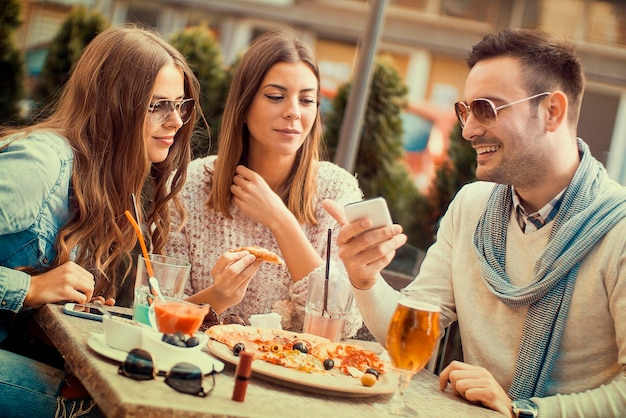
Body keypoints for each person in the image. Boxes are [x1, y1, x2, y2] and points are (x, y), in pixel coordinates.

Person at [323, 28, 626, 417]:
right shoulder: (471, 205)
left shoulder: (617, 229)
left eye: (487, 108)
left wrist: (525, 411)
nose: (467, 130)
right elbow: (411, 337)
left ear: (552, 112)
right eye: (464, 111)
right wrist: (365, 279)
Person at [0, 25, 200, 417]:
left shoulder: (102, 183)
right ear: (114, 106)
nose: (176, 121)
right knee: (95, 400)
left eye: (181, 104)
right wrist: (31, 287)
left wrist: (66, 306)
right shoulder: (41, 165)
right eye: (157, 105)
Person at [166, 28, 363, 338]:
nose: (293, 113)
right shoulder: (190, 185)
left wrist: (280, 220)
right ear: (244, 106)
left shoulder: (337, 190)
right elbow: (160, 315)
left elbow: (344, 323)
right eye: (275, 96)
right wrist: (218, 296)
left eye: (308, 100)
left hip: (294, 374)